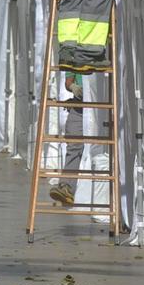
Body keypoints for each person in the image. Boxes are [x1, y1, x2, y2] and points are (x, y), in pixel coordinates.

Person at [49, 72, 85, 206]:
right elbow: (68, 83)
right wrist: (74, 87)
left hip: (103, 101)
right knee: (74, 144)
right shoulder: (73, 54)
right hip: (79, 105)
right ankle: (66, 187)